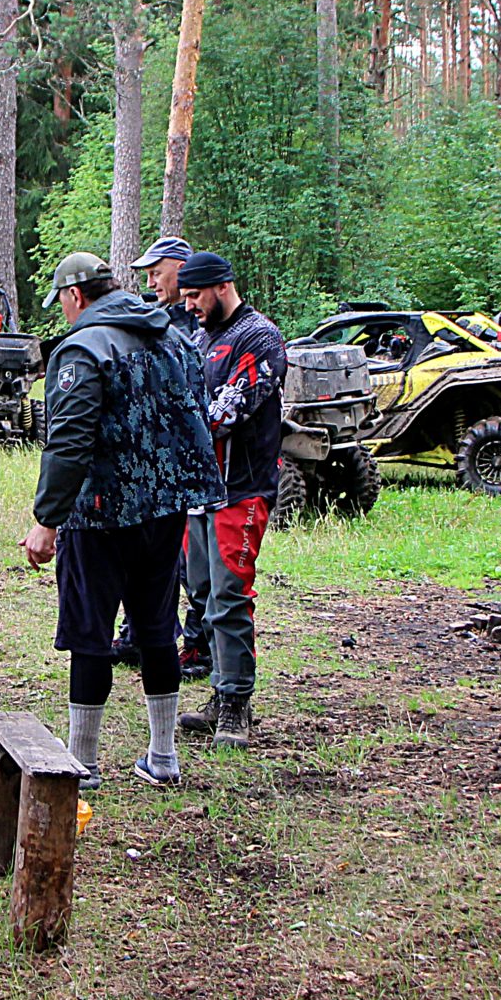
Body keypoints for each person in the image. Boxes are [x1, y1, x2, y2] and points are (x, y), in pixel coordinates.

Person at [20, 252, 221, 789]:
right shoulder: (171, 336)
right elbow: (196, 410)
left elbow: (69, 442)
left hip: (100, 516)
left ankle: (82, 763)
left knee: (91, 634)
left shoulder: (81, 348)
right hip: (164, 511)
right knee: (156, 627)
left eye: (61, 302)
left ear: (75, 296)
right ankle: (163, 757)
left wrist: (47, 519)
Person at [172, 252, 285, 747]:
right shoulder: (202, 338)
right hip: (199, 490)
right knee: (200, 593)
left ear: (221, 286)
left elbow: (228, 410)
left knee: (229, 595)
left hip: (240, 488)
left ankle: (237, 703)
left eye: (194, 295)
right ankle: (220, 693)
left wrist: (182, 426)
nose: (190, 305)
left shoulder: (259, 337)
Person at [122, 236, 210, 675]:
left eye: (158, 270)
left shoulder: (198, 322)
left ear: (180, 267)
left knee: (193, 561)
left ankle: (197, 644)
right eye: (148, 273)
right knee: (150, 553)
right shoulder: (154, 317)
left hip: (189, 464)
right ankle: (138, 632)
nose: (152, 280)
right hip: (152, 466)